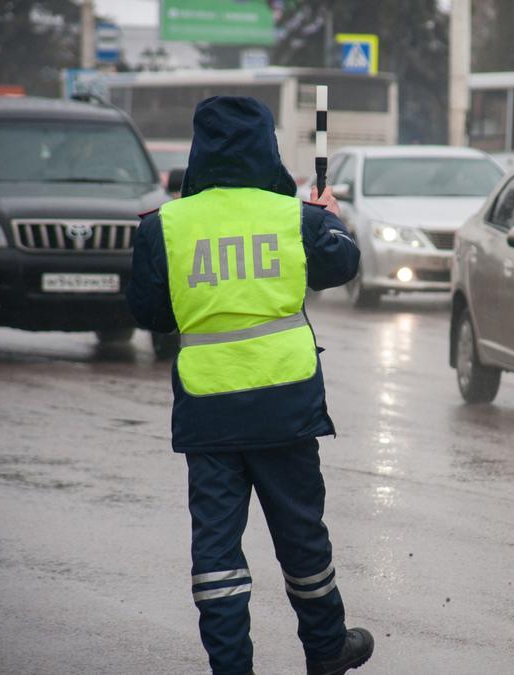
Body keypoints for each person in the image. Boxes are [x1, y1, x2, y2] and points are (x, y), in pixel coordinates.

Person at [126, 96, 373, 675]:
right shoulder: (294, 219)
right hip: (284, 409)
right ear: (267, 147)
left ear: (200, 150)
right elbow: (344, 265)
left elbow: (150, 314)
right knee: (302, 539)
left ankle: (231, 667)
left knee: (216, 554)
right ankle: (326, 649)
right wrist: (327, 216)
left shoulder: (165, 227)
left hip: (209, 415)